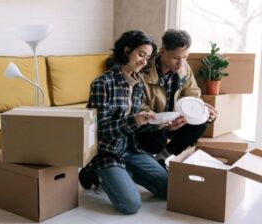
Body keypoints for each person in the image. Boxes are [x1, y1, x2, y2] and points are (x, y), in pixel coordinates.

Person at [79, 30, 169, 214]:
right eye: (141, 54)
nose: (144, 61)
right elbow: (100, 129)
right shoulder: (102, 83)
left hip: (131, 149)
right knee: (130, 205)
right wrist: (134, 120)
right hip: (107, 152)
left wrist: (156, 124)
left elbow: (136, 126)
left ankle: (124, 172)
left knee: (169, 188)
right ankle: (94, 172)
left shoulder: (138, 83)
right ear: (127, 50)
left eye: (148, 57)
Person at [138, 29, 218, 162]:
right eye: (176, 58)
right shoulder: (143, 70)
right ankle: (152, 156)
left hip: (177, 122)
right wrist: (162, 122)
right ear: (162, 51)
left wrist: (204, 113)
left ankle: (162, 157)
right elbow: (139, 107)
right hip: (152, 123)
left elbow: (193, 97)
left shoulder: (184, 68)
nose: (181, 63)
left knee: (201, 124)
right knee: (157, 142)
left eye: (185, 57)